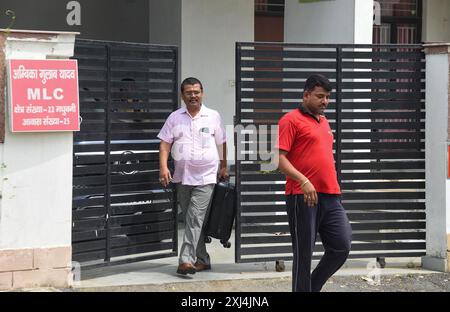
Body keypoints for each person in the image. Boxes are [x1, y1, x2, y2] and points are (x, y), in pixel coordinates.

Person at [276, 74, 352, 292]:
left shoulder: (324, 121)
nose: (325, 101)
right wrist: (303, 180)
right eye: (320, 96)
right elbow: (278, 159)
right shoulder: (290, 120)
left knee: (341, 245)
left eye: (327, 97)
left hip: (330, 196)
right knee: (304, 254)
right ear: (306, 95)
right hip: (302, 196)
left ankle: (311, 286)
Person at [158, 77, 228, 275]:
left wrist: (223, 166)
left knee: (194, 218)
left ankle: (185, 261)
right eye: (189, 92)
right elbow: (165, 143)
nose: (193, 95)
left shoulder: (212, 116)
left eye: (196, 92)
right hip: (182, 177)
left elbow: (222, 142)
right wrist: (163, 167)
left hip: (206, 177)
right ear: (182, 96)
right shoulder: (175, 117)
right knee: (194, 220)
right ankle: (203, 259)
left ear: (202, 93)